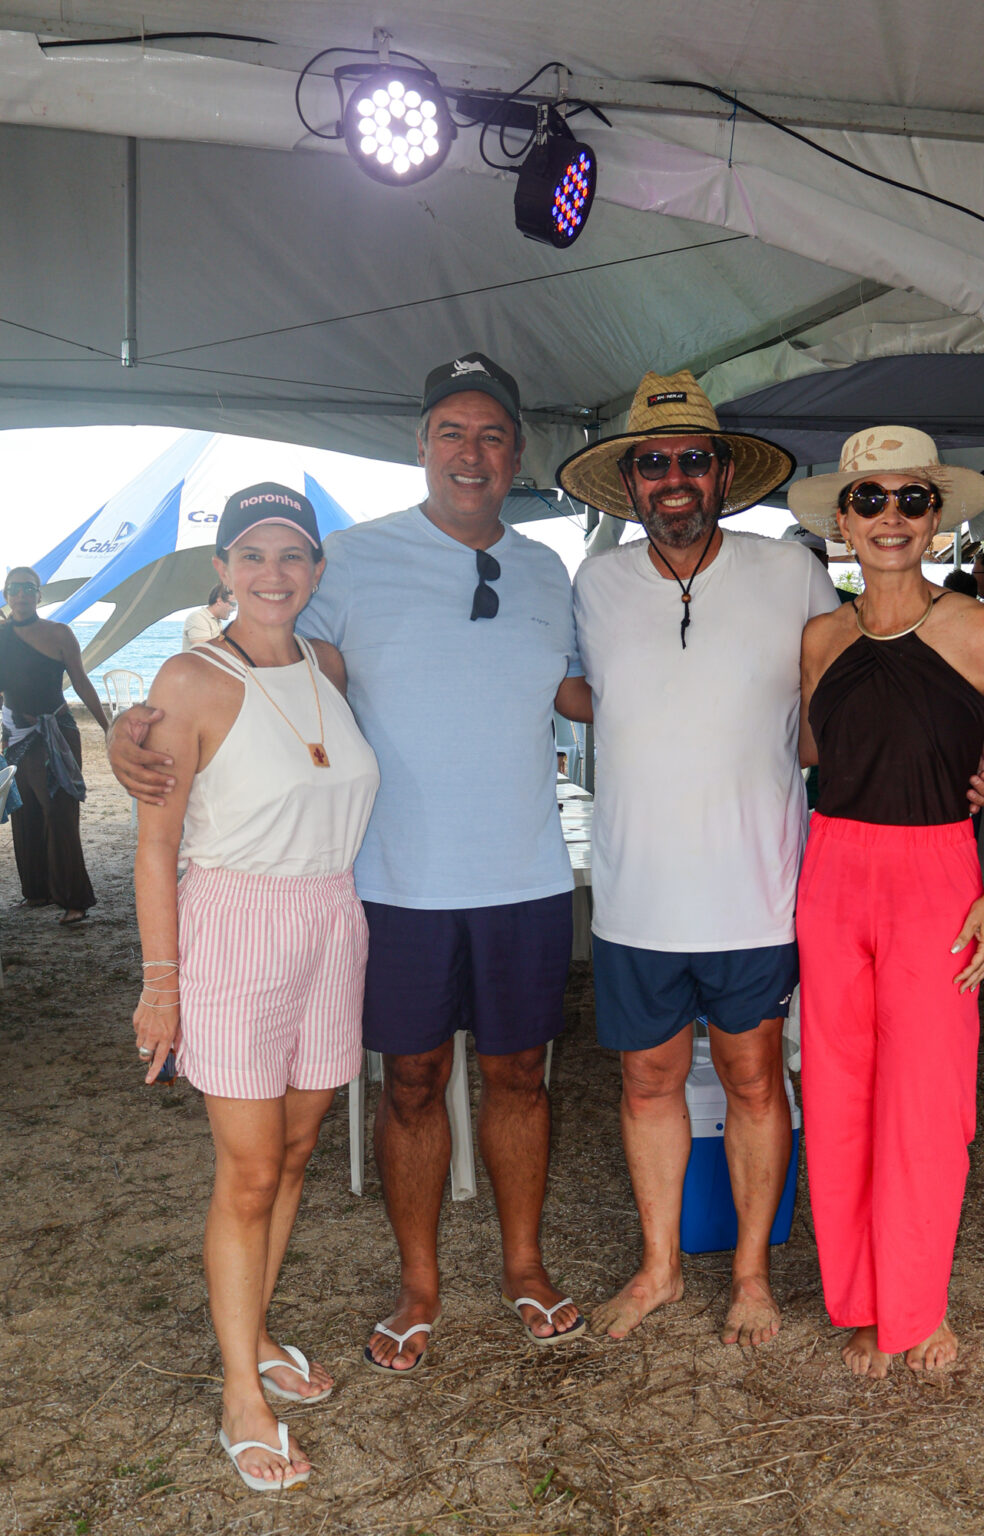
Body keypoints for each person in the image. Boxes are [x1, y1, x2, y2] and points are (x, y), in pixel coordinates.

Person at [113, 353, 590, 1365]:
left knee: (521, 1077)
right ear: (419, 447)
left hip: (526, 876)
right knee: (410, 1082)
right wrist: (137, 723)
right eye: (450, 433)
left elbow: (583, 690)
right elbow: (249, 647)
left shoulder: (550, 570)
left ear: (517, 453)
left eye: (491, 435)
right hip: (391, 881)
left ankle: (523, 1265)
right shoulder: (353, 559)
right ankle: (418, 1283)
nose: (471, 453)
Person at [558, 377, 984, 1348]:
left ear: (723, 474)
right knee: (645, 1083)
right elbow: (568, 689)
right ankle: (659, 1269)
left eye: (692, 459)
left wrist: (958, 767)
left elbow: (845, 709)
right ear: (628, 482)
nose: (673, 477)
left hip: (759, 891)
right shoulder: (592, 586)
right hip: (633, 895)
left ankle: (752, 1279)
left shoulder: (790, 576)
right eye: (651, 462)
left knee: (758, 1083)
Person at [131, 483, 379, 1491]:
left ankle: (258, 1331)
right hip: (235, 923)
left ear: (316, 569)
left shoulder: (328, 666)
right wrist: (160, 985)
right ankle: (242, 1390)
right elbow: (155, 845)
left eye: (291, 556)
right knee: (247, 1172)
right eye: (252, 555)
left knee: (297, 1150)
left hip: (331, 918)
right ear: (222, 569)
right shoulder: (188, 678)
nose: (272, 574)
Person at [789, 426, 984, 1377]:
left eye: (910, 499)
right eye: (869, 499)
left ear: (935, 519)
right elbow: (818, 753)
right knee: (838, 1092)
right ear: (842, 523)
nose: (889, 517)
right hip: (832, 870)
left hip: (936, 873)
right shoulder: (820, 637)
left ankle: (916, 1303)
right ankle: (860, 1300)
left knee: (927, 1099)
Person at [0, 566, 108, 923]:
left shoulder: (59, 633)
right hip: (15, 735)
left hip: (56, 732)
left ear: (39, 595)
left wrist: (108, 727)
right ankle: (37, 892)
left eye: (28, 588)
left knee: (60, 812)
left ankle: (74, 899)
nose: (21, 594)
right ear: (6, 594)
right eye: (15, 588)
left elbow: (81, 682)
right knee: (24, 811)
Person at [181, 583, 235, 649]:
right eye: (233, 604)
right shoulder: (198, 618)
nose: (234, 609)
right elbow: (204, 650)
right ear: (219, 601)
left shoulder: (216, 620)